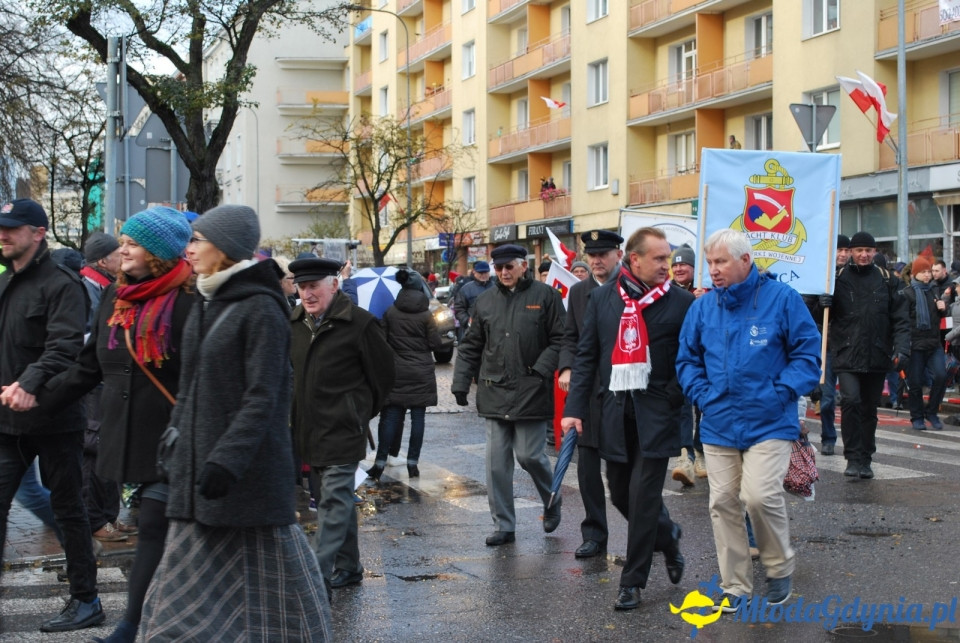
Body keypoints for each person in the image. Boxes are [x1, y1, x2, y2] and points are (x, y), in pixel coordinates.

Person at [141, 205, 332, 639]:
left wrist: (227, 460)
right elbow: (189, 387)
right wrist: (174, 440)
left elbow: (264, 396)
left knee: (278, 591)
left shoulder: (261, 309)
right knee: (185, 592)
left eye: (197, 240)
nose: (187, 249)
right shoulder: (207, 300)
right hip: (199, 478)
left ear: (223, 249)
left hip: (247, 480)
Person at [38, 207, 194, 643]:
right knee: (159, 532)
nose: (121, 249)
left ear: (160, 252)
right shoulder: (117, 298)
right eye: (122, 242)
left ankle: (131, 628)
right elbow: (89, 368)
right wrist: (35, 401)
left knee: (158, 531)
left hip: (179, 439)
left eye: (132, 243)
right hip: (134, 438)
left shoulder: (192, 300)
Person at [677, 228, 821, 609]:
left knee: (758, 496)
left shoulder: (783, 299)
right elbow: (687, 361)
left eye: (720, 261)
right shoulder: (703, 307)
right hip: (719, 421)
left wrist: (781, 392)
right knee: (722, 501)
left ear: (745, 260)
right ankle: (735, 586)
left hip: (770, 421)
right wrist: (704, 396)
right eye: (709, 263)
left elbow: (808, 356)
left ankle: (778, 566)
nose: (713, 270)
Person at [562, 227, 691, 611]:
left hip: (658, 415)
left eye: (668, 258)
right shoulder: (602, 299)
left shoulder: (682, 303)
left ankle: (632, 582)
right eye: (659, 258)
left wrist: (675, 396)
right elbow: (586, 358)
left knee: (643, 497)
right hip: (614, 414)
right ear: (635, 260)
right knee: (619, 493)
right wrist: (574, 409)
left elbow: (691, 360)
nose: (667, 265)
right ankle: (667, 538)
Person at [0, 199, 103, 632]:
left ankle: (86, 600)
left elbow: (65, 347)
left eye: (13, 228)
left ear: (38, 232)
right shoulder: (6, 281)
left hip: (55, 418)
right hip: (7, 422)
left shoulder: (63, 284)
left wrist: (29, 383)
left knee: (67, 510)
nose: (3, 234)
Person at [288, 256, 395, 592]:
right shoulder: (293, 324)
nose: (307, 293)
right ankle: (349, 567)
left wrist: (357, 412)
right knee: (335, 500)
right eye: (301, 287)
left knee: (332, 502)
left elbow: (384, 377)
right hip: (307, 431)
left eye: (313, 286)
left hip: (343, 431)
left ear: (334, 284)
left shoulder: (360, 324)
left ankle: (313, 577)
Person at [452, 244, 564, 546]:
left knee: (530, 455)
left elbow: (561, 339)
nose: (503, 273)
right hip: (494, 389)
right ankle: (504, 524)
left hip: (531, 390)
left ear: (523, 266)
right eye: (499, 268)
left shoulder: (546, 297)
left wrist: (541, 369)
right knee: (496, 463)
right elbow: (472, 345)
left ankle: (552, 499)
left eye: (508, 267)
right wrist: (461, 383)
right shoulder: (485, 301)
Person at [557, 230, 623, 560]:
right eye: (592, 255)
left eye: (604, 254)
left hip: (622, 394)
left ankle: (654, 529)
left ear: (619, 255)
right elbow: (570, 337)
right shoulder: (580, 292)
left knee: (627, 476)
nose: (597, 260)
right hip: (587, 393)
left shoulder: (632, 288)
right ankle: (595, 534)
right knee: (587, 471)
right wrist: (566, 367)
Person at [828, 231, 910, 479]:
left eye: (868, 250)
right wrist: (820, 302)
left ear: (875, 252)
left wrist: (902, 348)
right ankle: (852, 456)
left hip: (877, 353)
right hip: (847, 353)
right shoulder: (837, 279)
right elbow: (819, 318)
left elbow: (901, 320)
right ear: (851, 252)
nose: (864, 255)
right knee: (851, 401)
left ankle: (866, 458)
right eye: (859, 250)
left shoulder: (888, 280)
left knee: (868, 409)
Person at [368, 269, 443, 481]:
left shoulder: (391, 312)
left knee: (391, 416)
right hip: (421, 373)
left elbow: (382, 340)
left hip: (397, 372)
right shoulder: (426, 315)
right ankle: (412, 464)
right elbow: (435, 344)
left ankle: (380, 462)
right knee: (418, 419)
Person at [668, 244, 708, 486]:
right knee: (682, 405)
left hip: (706, 356)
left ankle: (700, 452)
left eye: (684, 264)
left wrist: (707, 299)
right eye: (676, 265)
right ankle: (686, 457)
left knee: (702, 407)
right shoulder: (668, 291)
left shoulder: (708, 289)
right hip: (680, 357)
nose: (679, 268)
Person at [900, 256, 948, 430]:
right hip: (915, 344)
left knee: (942, 376)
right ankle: (917, 416)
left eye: (929, 271)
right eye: (923, 272)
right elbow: (902, 321)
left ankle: (932, 412)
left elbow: (939, 317)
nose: (928, 275)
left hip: (933, 343)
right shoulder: (907, 293)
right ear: (915, 274)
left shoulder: (933, 290)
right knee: (916, 382)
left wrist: (944, 309)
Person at [815, 234, 852, 455]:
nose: (843, 254)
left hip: (848, 345)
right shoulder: (820, 278)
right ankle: (828, 435)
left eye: (846, 250)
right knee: (827, 398)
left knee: (851, 399)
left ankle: (852, 440)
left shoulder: (855, 276)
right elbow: (812, 313)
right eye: (839, 250)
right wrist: (821, 304)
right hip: (827, 346)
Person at [453, 260, 493, 332]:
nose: (483, 275)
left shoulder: (496, 287)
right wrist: (468, 322)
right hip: (474, 330)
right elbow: (459, 309)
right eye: (480, 273)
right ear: (474, 272)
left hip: (494, 328)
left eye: (486, 272)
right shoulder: (466, 289)